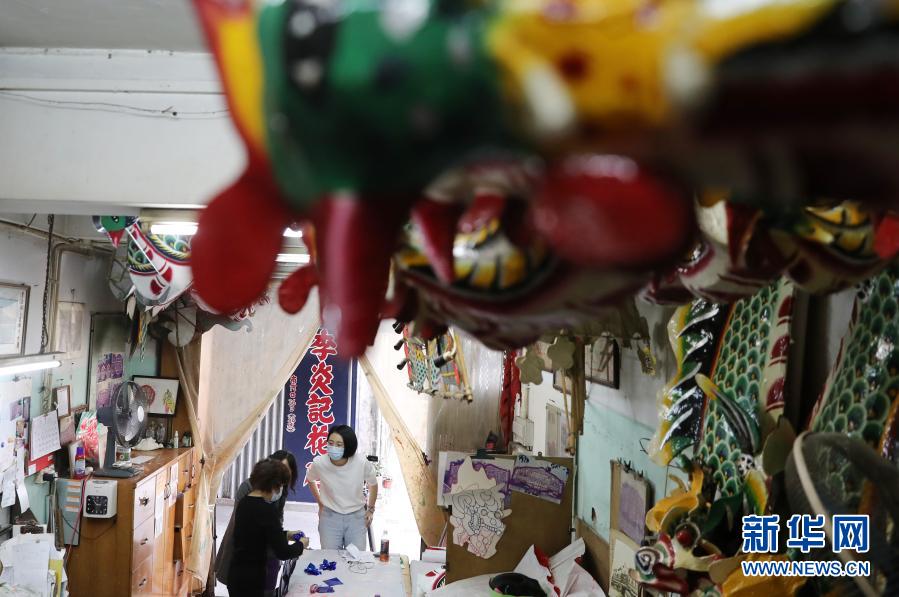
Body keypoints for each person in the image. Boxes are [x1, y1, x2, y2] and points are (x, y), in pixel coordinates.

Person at [216, 450, 301, 593]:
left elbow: (269, 528)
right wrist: (301, 545)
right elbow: (280, 549)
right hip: (253, 568)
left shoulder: (249, 502)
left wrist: (285, 535)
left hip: (246, 568)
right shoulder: (261, 505)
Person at [307, 425, 379, 550]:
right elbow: (310, 479)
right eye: (330, 443)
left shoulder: (361, 462)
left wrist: (371, 509)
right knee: (330, 557)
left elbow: (373, 484)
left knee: (356, 557)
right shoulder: (320, 463)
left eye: (339, 445)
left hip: (356, 517)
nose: (333, 447)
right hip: (329, 517)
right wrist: (320, 503)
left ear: (348, 446)